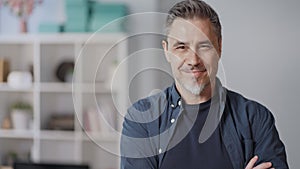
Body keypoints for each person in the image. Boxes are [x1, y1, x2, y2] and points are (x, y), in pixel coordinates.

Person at [120, 0, 289, 169]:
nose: (193, 60)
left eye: (204, 46)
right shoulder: (141, 120)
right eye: (181, 47)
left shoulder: (255, 118)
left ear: (219, 47)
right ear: (166, 51)